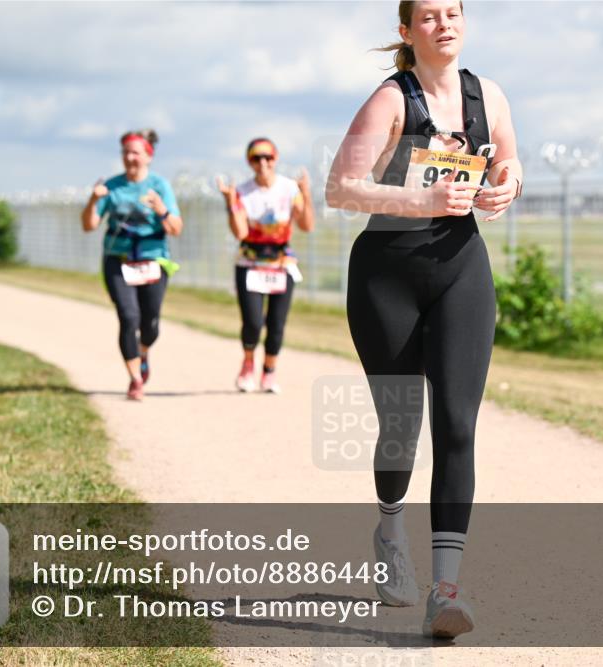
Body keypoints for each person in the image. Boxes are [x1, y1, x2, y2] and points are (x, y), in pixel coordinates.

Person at [325, 0, 522, 638]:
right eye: (429, 16)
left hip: (461, 266)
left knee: (458, 422)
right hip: (387, 274)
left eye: (453, 12)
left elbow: (508, 163)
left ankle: (446, 589)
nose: (444, 23)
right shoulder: (390, 100)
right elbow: (340, 187)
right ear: (407, 32)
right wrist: (423, 199)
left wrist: (506, 185)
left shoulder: (487, 95)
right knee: (402, 425)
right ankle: (388, 528)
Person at [81, 129, 183, 401]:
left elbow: (176, 228)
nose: (129, 157)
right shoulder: (111, 187)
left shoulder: (160, 186)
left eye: (135, 152)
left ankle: (144, 351)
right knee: (128, 317)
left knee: (150, 324)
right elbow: (89, 225)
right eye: (126, 152)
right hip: (118, 260)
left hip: (154, 260)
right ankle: (136, 379)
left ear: (148, 156)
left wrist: (161, 209)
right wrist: (93, 199)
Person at [217, 138, 315, 394]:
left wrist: (306, 194)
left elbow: (307, 226)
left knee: (276, 324)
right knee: (252, 322)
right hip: (250, 262)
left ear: (276, 158)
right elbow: (240, 231)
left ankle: (269, 372)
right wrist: (230, 203)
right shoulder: (242, 191)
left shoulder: (290, 188)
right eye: (256, 158)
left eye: (268, 157)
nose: (263, 163)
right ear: (249, 162)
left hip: (281, 263)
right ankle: (248, 363)